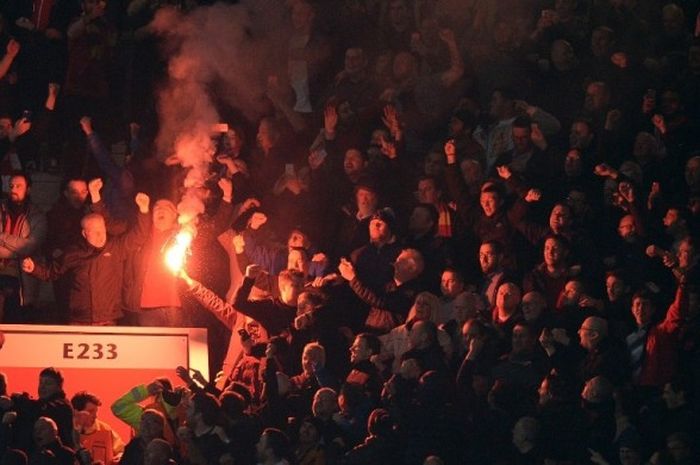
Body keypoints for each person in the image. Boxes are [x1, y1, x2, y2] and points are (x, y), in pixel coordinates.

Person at [22, 190, 151, 325]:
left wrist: (144, 210)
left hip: (108, 320)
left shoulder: (116, 248)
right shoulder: (73, 253)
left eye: (102, 230)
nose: (100, 235)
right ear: (84, 233)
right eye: (94, 232)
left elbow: (139, 236)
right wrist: (34, 268)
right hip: (78, 320)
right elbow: (51, 272)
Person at [0, 171, 46, 323]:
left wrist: (2, 236)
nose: (13, 189)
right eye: (11, 185)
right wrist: (17, 249)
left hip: (22, 282)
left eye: (19, 186)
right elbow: (23, 247)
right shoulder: (1, 210)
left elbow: (29, 247)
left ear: (28, 189)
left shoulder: (37, 216)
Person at [71, 391, 124, 464]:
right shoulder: (66, 432)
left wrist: (120, 456)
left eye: (96, 412)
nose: (95, 416)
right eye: (90, 411)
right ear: (76, 412)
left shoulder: (105, 430)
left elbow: (121, 450)